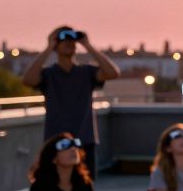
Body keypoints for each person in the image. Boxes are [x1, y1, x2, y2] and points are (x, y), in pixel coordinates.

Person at [21, 26, 121, 167]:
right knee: (56, 188)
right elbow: (28, 80)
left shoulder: (86, 73)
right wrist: (49, 47)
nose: (69, 43)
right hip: (55, 144)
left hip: (84, 142)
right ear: (56, 45)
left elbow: (113, 73)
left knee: (85, 187)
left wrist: (87, 45)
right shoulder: (48, 74)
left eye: (72, 41)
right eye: (64, 40)